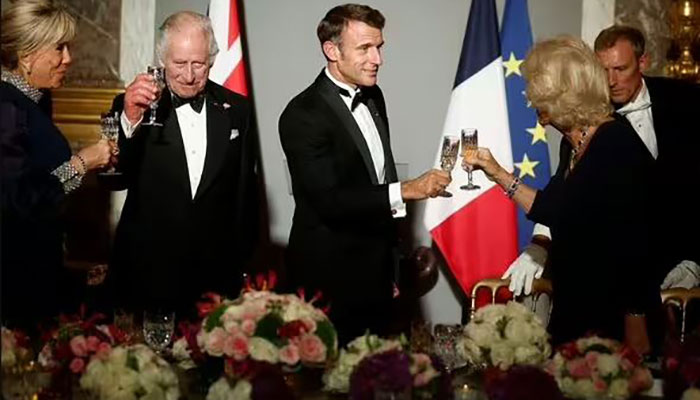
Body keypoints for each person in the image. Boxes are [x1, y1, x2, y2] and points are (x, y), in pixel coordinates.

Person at [464, 36, 658, 353]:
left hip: (613, 311)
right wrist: (495, 171)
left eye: (537, 91)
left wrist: (635, 316)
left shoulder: (614, 143)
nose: (530, 100)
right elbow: (553, 208)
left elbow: (638, 243)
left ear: (564, 94)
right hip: (574, 303)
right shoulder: (573, 145)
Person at [278, 4, 450, 344]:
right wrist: (406, 189)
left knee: (378, 370)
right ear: (332, 51)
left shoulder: (373, 96)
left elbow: (376, 175)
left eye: (379, 47)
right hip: (327, 279)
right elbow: (329, 201)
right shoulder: (302, 114)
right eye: (364, 48)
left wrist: (392, 265)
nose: (377, 59)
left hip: (376, 274)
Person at [504, 25, 700, 297]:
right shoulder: (589, 119)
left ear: (643, 62)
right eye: (603, 70)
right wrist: (538, 246)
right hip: (621, 275)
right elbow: (563, 194)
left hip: (682, 257)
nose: (610, 80)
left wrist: (695, 259)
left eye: (620, 69)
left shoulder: (687, 100)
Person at [108, 11, 259, 318]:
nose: (189, 76)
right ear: (162, 59)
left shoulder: (238, 110)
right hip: (147, 272)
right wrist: (131, 120)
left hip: (215, 277)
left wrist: (243, 264)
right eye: (179, 64)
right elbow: (113, 180)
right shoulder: (132, 105)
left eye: (198, 64)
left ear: (212, 60)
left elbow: (244, 194)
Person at [1, 0, 114, 330]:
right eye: (59, 48)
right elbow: (19, 200)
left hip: (37, 268)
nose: (68, 59)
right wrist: (81, 163)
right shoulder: (7, 107)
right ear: (27, 55)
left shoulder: (32, 99)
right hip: (15, 281)